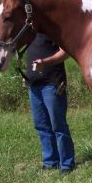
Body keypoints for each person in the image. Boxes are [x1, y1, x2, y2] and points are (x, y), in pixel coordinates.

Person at [26, 33, 75, 172]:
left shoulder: (50, 28)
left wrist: (46, 62)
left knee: (58, 126)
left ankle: (66, 164)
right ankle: (50, 162)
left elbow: (66, 52)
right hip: (34, 85)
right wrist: (28, 74)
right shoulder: (29, 32)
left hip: (52, 83)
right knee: (41, 125)